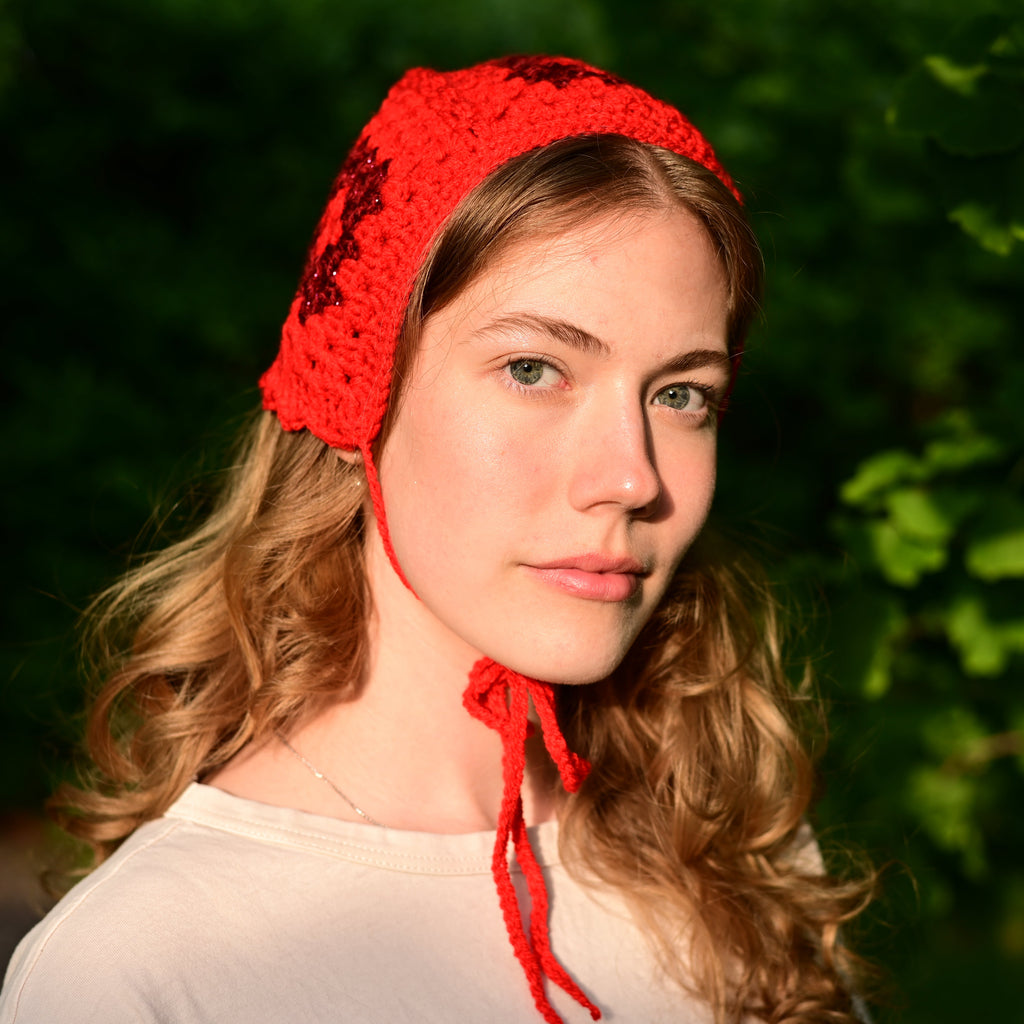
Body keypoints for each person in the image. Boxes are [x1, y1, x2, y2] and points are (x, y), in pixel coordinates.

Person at [1, 56, 871, 1024]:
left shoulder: (734, 861)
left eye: (680, 394)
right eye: (534, 368)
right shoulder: (150, 966)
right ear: (358, 394)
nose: (632, 477)